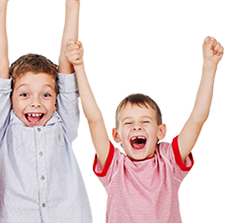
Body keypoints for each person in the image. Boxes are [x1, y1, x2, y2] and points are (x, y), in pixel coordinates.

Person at [65, 37, 224, 222]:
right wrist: (79, 67)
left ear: (161, 132)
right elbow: (94, 120)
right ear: (116, 135)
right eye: (128, 123)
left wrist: (210, 67)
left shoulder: (169, 161)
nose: (137, 126)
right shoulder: (115, 166)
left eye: (145, 122)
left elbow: (197, 119)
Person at [0, 0, 93, 222]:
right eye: (24, 94)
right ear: (10, 99)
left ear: (56, 99)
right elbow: (1, 68)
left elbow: (66, 65)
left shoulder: (62, 121)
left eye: (45, 95)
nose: (35, 102)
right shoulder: (4, 128)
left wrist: (73, 1)